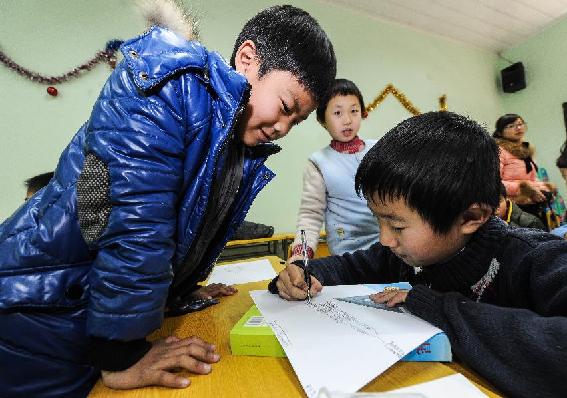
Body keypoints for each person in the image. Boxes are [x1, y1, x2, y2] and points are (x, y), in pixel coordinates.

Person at [0, 5, 336, 397]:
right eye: (284, 108)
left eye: (294, 123)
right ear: (247, 60)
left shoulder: (226, 140)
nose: (282, 128)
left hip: (80, 317)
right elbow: (137, 221)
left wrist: (178, 290)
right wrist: (121, 355)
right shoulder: (169, 84)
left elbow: (177, 229)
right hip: (33, 311)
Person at [269, 112, 567, 398]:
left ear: (470, 218)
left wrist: (436, 307)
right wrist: (304, 270)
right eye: (378, 220)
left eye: (397, 226)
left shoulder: (536, 257)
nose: (384, 240)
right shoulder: (408, 254)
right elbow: (351, 266)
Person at [291, 78, 378, 258]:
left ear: (362, 113)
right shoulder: (318, 162)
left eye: (354, 111)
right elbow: (310, 215)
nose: (347, 120)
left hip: (387, 247)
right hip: (346, 255)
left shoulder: (378, 150)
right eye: (338, 113)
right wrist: (301, 255)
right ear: (322, 119)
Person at [493, 114, 555, 228]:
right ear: (500, 132)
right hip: (513, 208)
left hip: (533, 204)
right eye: (511, 126)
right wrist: (524, 188)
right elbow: (494, 181)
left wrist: (542, 188)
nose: (518, 128)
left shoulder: (526, 149)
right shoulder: (498, 151)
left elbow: (531, 178)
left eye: (520, 124)